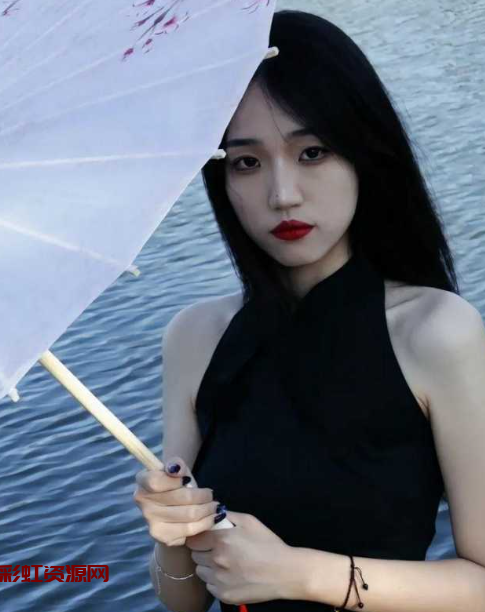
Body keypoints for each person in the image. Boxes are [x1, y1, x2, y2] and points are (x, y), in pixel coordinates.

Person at [133, 9, 485, 612]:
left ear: (363, 151)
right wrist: (170, 535)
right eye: (246, 162)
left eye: (313, 152)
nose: (282, 194)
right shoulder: (195, 337)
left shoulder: (435, 332)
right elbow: (183, 602)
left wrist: (299, 575)